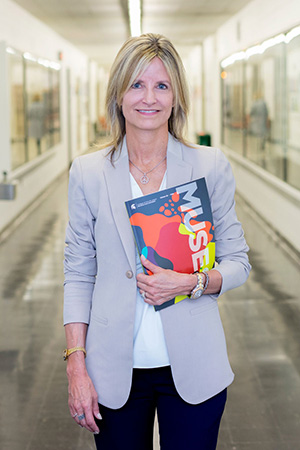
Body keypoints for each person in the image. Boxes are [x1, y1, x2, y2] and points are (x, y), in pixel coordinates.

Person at [63, 33, 251, 450]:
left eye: (162, 85)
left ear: (176, 97)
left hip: (193, 367)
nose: (149, 97)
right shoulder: (88, 173)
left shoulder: (208, 165)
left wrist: (193, 283)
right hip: (113, 372)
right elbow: (78, 274)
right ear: (118, 94)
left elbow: (238, 261)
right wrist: (76, 364)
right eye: (137, 84)